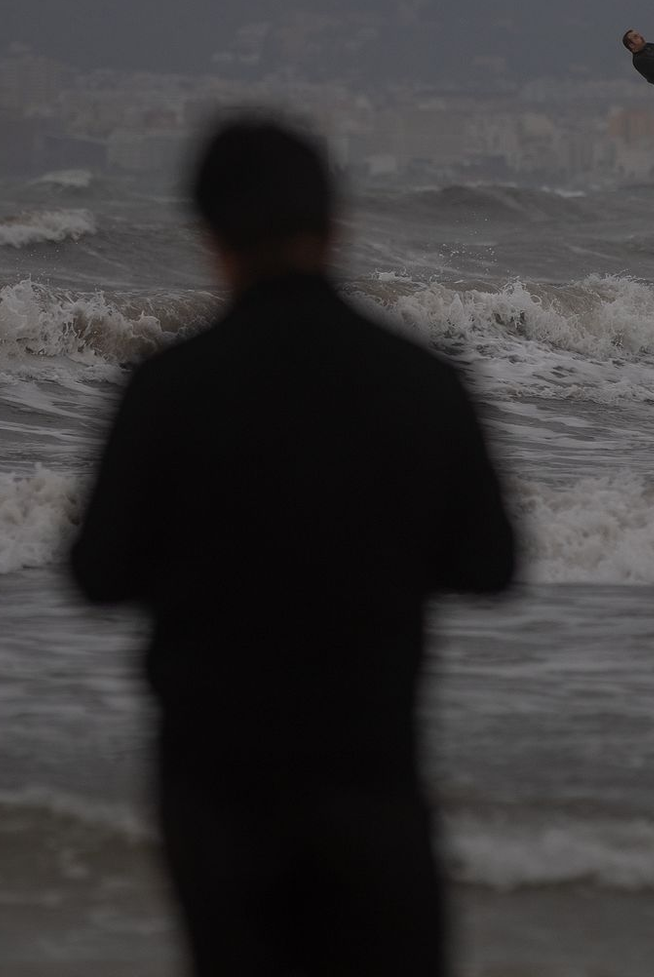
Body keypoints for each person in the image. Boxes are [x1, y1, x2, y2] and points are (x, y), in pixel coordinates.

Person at [69, 115, 517, 977]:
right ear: (335, 226)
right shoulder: (418, 381)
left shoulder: (168, 387)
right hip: (372, 775)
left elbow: (98, 575)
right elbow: (490, 566)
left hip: (215, 792)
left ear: (210, 238)